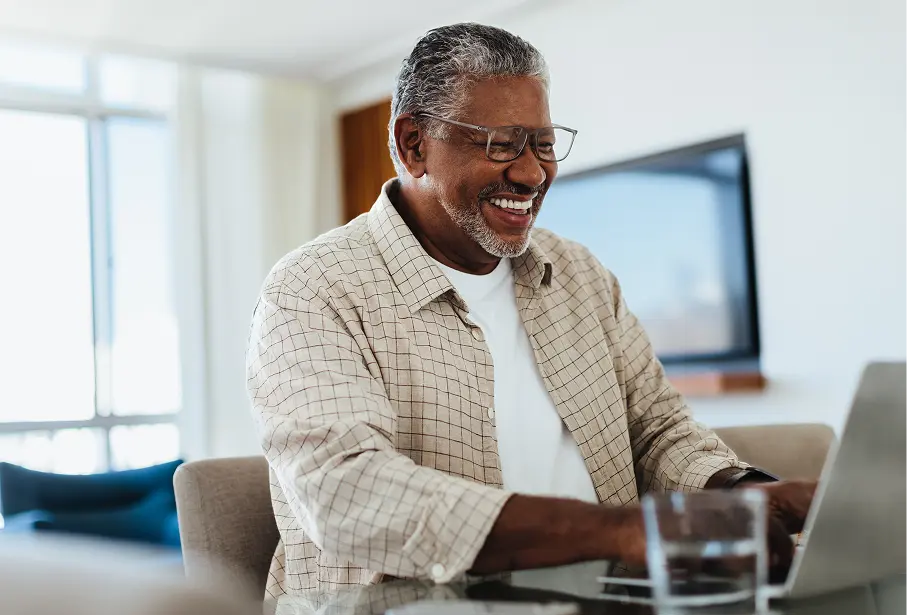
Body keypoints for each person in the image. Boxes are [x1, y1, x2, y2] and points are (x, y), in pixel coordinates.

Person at [246, 22, 815, 598]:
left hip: (608, 598)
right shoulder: (313, 288)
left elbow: (659, 432)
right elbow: (349, 495)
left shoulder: (580, 275)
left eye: (543, 144)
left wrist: (745, 493)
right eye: (501, 144)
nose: (531, 172)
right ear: (413, 143)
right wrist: (625, 531)